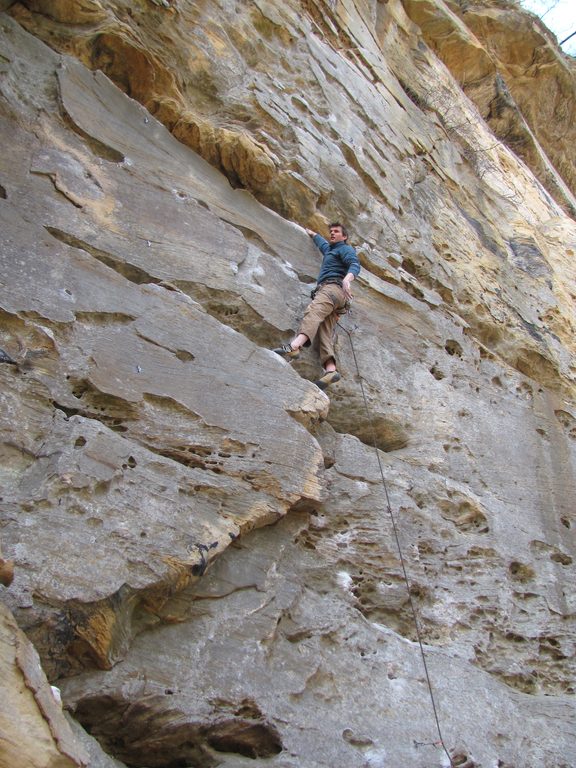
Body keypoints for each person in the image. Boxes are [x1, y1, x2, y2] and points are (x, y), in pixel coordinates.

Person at [273, 222, 360, 390]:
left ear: (345, 236)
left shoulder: (345, 249)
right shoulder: (329, 250)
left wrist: (347, 280)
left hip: (332, 289)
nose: (332, 234)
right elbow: (321, 242)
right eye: (331, 232)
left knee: (314, 312)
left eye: (336, 232)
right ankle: (330, 370)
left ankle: (293, 347)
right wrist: (311, 232)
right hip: (337, 299)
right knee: (324, 332)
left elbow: (354, 264)